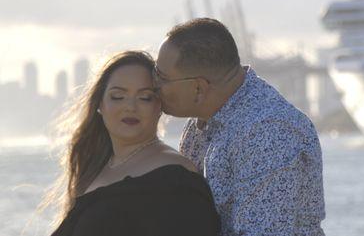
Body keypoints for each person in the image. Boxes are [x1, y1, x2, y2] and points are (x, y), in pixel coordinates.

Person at [155, 18, 326, 236]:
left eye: (161, 77)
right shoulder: (203, 121)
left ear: (199, 88)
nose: (153, 85)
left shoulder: (269, 131)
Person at [49, 50, 220, 236]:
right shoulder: (94, 168)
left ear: (159, 107)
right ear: (100, 104)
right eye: (118, 96)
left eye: (145, 97)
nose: (130, 107)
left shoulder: (177, 180)